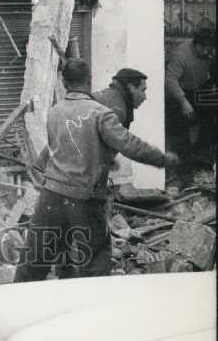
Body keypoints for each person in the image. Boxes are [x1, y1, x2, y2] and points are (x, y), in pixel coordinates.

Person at [15, 59, 178, 283]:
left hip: (51, 196)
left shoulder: (54, 111)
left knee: (36, 258)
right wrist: (160, 158)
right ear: (89, 80)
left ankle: (18, 306)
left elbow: (61, 149)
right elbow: (129, 144)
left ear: (64, 82)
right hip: (84, 199)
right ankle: (88, 310)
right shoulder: (102, 113)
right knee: (95, 261)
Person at [165, 26, 216, 177]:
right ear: (198, 46)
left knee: (210, 122)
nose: (209, 54)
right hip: (178, 94)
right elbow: (170, 80)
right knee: (180, 132)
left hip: (198, 90)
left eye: (211, 50)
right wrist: (183, 101)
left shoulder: (209, 52)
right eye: (206, 50)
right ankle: (182, 172)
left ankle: (204, 161)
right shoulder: (181, 54)